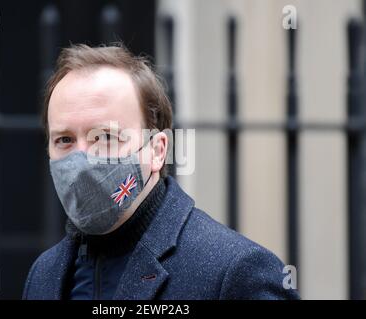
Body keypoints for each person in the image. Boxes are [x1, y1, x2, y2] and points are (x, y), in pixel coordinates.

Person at [22, 44, 300, 300]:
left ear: (157, 150)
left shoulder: (235, 272)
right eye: (65, 140)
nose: (82, 159)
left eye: (105, 137)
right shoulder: (44, 275)